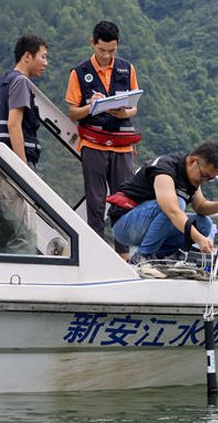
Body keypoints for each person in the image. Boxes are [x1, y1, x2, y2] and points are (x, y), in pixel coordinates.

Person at [65, 20, 140, 261]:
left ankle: (124, 255)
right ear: (92, 43)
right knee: (96, 202)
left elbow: (133, 108)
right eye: (102, 50)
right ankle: (97, 254)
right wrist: (91, 106)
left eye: (112, 51)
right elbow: (73, 112)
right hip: (93, 144)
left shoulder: (127, 69)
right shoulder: (79, 73)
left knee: (123, 200)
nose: (107, 56)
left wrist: (123, 112)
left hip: (122, 144)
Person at [109, 142, 218, 264]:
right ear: (191, 162)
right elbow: (172, 211)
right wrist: (199, 239)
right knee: (178, 204)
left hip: (149, 225)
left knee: (204, 224)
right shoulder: (164, 170)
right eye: (203, 176)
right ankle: (142, 256)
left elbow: (200, 207)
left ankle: (167, 258)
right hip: (125, 224)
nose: (204, 181)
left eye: (209, 179)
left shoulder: (192, 176)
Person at [0, 34, 48, 254]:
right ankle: (21, 283)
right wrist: (22, 169)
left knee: (4, 234)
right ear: (27, 56)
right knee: (24, 235)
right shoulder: (20, 82)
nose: (45, 63)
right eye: (43, 57)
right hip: (12, 171)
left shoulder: (1, 85)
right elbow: (14, 125)